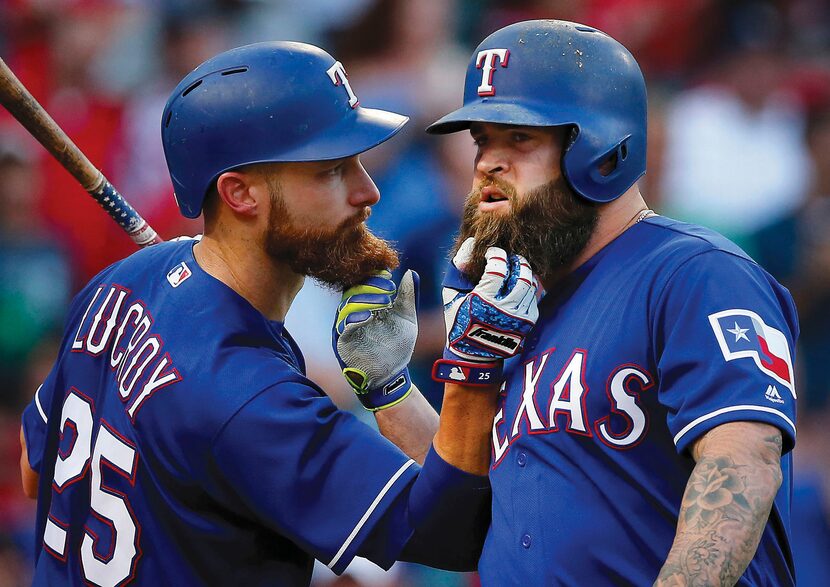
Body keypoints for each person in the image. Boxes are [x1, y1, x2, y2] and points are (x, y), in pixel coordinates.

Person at [18, 41, 540, 586]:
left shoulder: (122, 282)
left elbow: (36, 470)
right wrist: (431, 384)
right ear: (240, 193)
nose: (369, 191)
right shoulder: (250, 397)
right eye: (332, 170)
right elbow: (468, 532)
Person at [424, 20, 798, 586]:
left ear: (602, 149)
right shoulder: (518, 311)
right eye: (482, 140)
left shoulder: (696, 273)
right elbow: (458, 522)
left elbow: (743, 460)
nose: (487, 164)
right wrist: (395, 388)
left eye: (519, 138)